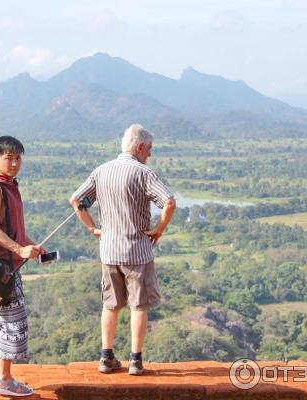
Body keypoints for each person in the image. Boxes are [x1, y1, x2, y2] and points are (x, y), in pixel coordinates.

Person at [69, 124, 176, 376]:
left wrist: (92, 228)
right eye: (149, 148)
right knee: (138, 306)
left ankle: (106, 357)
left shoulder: (102, 170)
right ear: (139, 146)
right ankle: (136, 361)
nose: (149, 154)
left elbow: (76, 200)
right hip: (137, 250)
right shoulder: (143, 172)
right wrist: (159, 228)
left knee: (111, 305)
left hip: (109, 250)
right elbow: (169, 202)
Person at [0, 136, 42, 397]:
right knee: (13, 323)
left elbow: (13, 230)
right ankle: (4, 379)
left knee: (2, 322)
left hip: (6, 265)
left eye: (18, 158)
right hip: (1, 268)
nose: (15, 163)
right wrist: (18, 250)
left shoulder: (10, 186)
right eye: (9, 158)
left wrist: (32, 246)